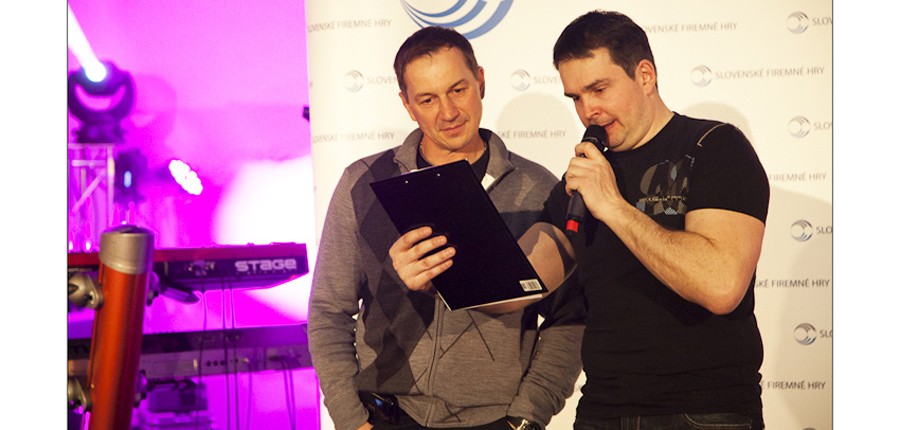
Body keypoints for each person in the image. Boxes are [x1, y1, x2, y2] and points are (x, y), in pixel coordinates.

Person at [394, 10, 770, 430]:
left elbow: (720, 286)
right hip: (603, 411)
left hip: (704, 411)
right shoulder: (584, 178)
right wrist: (438, 275)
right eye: (575, 97)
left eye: (599, 89)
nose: (589, 109)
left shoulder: (713, 146)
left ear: (645, 76)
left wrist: (613, 206)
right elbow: (515, 284)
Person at [307, 26, 585, 430]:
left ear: (481, 81)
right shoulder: (364, 182)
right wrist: (352, 420)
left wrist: (527, 417)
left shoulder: (539, 190)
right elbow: (329, 312)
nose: (448, 112)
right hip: (383, 415)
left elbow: (569, 319)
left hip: (493, 421)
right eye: (428, 99)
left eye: (458, 90)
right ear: (407, 105)